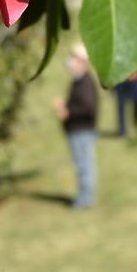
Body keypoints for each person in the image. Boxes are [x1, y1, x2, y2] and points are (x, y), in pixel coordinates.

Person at [53, 45, 100, 209]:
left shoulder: (85, 82)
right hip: (77, 131)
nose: (70, 62)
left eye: (74, 58)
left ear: (82, 62)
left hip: (82, 131)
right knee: (82, 165)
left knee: (84, 166)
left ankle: (86, 199)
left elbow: (88, 108)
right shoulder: (79, 81)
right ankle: (85, 197)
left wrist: (68, 111)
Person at [112, 68, 137, 138]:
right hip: (121, 78)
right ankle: (122, 130)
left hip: (136, 78)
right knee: (121, 105)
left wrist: (136, 72)